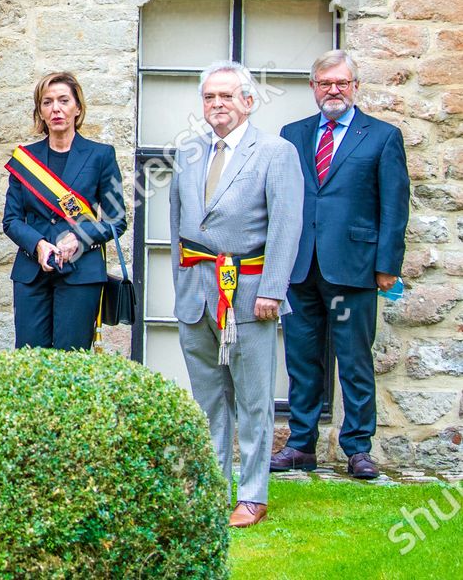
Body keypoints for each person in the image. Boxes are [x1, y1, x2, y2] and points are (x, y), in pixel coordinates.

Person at [170, 61, 302, 529]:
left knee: (252, 399)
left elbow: (287, 227)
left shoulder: (275, 152)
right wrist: (181, 283)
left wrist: (271, 289)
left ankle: (252, 495)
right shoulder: (187, 153)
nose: (217, 104)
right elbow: (178, 226)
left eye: (227, 96)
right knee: (207, 398)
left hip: (248, 293)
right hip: (197, 294)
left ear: (248, 100)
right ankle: (211, 488)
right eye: (209, 97)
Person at [271, 50, 409, 480]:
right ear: (313, 88)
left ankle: (357, 448)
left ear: (355, 88)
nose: (334, 90)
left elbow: (395, 204)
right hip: (300, 268)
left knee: (353, 358)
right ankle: (300, 445)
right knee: (302, 358)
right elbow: (281, 199)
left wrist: (387, 266)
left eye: (342, 83)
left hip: (354, 269)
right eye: (325, 83)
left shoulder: (383, 137)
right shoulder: (291, 134)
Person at [3, 72, 127, 350]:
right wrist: (38, 245)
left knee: (71, 359)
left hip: (81, 271)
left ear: (77, 108)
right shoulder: (25, 159)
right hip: (31, 272)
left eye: (63, 100)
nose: (56, 108)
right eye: (47, 102)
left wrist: (79, 237)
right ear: (40, 112)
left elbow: (117, 220)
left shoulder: (101, 155)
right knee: (29, 361)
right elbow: (11, 220)